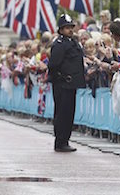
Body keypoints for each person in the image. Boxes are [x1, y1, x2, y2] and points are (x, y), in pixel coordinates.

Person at [47, 14, 85, 153]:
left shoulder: (73, 42)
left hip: (71, 84)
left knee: (69, 114)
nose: (70, 30)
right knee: (62, 113)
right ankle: (60, 141)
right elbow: (53, 64)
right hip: (62, 84)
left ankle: (65, 140)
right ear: (61, 29)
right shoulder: (60, 44)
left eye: (71, 27)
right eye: (67, 27)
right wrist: (61, 77)